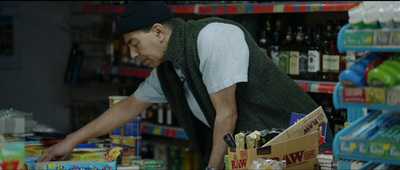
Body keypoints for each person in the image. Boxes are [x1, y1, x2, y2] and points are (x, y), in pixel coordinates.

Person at [38, 1, 321, 169]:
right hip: (261, 155)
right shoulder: (169, 71)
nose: (134, 55)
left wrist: (212, 168)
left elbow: (227, 114)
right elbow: (128, 107)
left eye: (134, 44)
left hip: (302, 140)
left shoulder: (211, 38)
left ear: (159, 32)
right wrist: (71, 141)